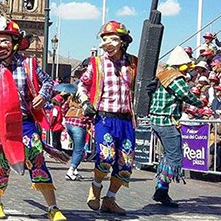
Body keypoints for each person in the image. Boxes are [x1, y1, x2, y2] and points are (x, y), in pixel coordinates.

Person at [0, 16, 67, 221]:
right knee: (0, 164)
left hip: (25, 123)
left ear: (15, 42)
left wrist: (42, 97)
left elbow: (48, 83)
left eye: (5, 40)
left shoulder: (29, 63)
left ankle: (52, 207)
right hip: (0, 125)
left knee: (37, 161)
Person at [78, 20, 137, 215]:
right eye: (104, 39)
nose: (107, 43)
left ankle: (110, 199)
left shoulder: (134, 63)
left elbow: (143, 86)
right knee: (106, 156)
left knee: (126, 163)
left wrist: (149, 88)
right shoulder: (96, 63)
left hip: (126, 119)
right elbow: (82, 85)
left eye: (113, 39)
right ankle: (95, 186)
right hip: (104, 117)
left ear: (123, 42)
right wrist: (85, 102)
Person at [149, 46, 204, 207]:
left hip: (156, 120)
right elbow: (184, 94)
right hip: (167, 121)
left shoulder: (161, 74)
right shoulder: (174, 77)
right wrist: (200, 104)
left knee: (167, 156)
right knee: (174, 157)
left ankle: (161, 189)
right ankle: (161, 190)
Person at [63, 93, 91, 181]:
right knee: (79, 150)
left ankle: (75, 170)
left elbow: (64, 108)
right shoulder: (87, 97)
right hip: (79, 123)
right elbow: (90, 111)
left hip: (69, 123)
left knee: (76, 147)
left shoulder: (72, 97)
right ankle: (70, 171)